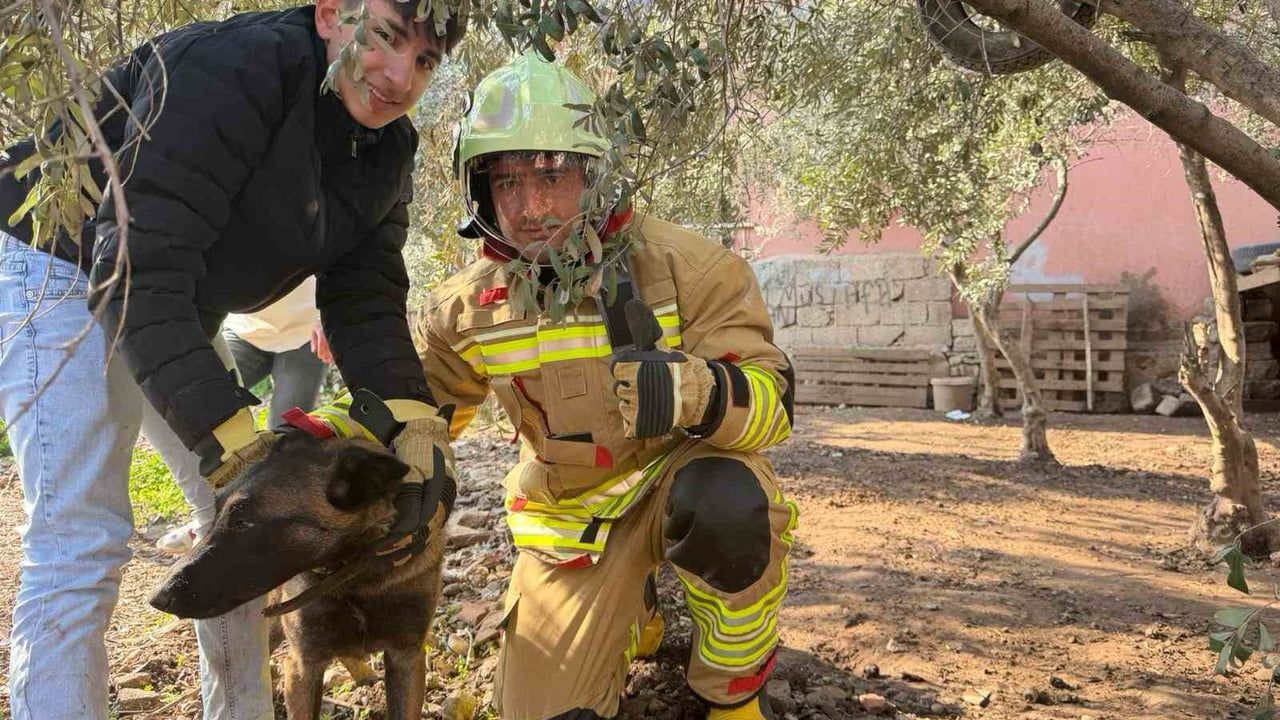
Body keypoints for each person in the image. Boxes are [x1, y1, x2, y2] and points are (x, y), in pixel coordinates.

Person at [0, 2, 463, 719]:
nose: (401, 76)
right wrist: (228, 439)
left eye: (426, 60)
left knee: (239, 520)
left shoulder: (384, 147)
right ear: (332, 13)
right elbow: (134, 269)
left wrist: (417, 424)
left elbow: (366, 295)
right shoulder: (231, 72)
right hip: (61, 265)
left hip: (169, 293)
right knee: (81, 534)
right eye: (387, 38)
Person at [414, 52, 799, 720]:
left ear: (594, 175)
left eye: (553, 175)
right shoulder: (464, 308)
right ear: (479, 195)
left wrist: (703, 394)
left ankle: (732, 701)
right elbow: (420, 413)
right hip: (572, 523)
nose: (531, 207)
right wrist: (348, 447)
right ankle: (635, 609)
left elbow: (776, 409)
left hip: (682, 483)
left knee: (731, 508)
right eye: (506, 182)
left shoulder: (692, 268)